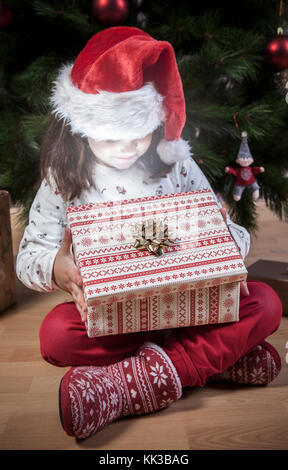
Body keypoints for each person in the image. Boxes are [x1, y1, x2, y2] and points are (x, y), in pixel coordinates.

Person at [16, 26, 282, 440]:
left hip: (190, 306)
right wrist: (58, 268)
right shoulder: (62, 177)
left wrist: (227, 245)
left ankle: (126, 385)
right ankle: (214, 359)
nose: (128, 147)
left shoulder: (173, 161)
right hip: (115, 316)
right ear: (81, 129)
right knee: (54, 336)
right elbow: (30, 256)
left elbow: (226, 232)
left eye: (139, 133)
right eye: (111, 137)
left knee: (264, 302)